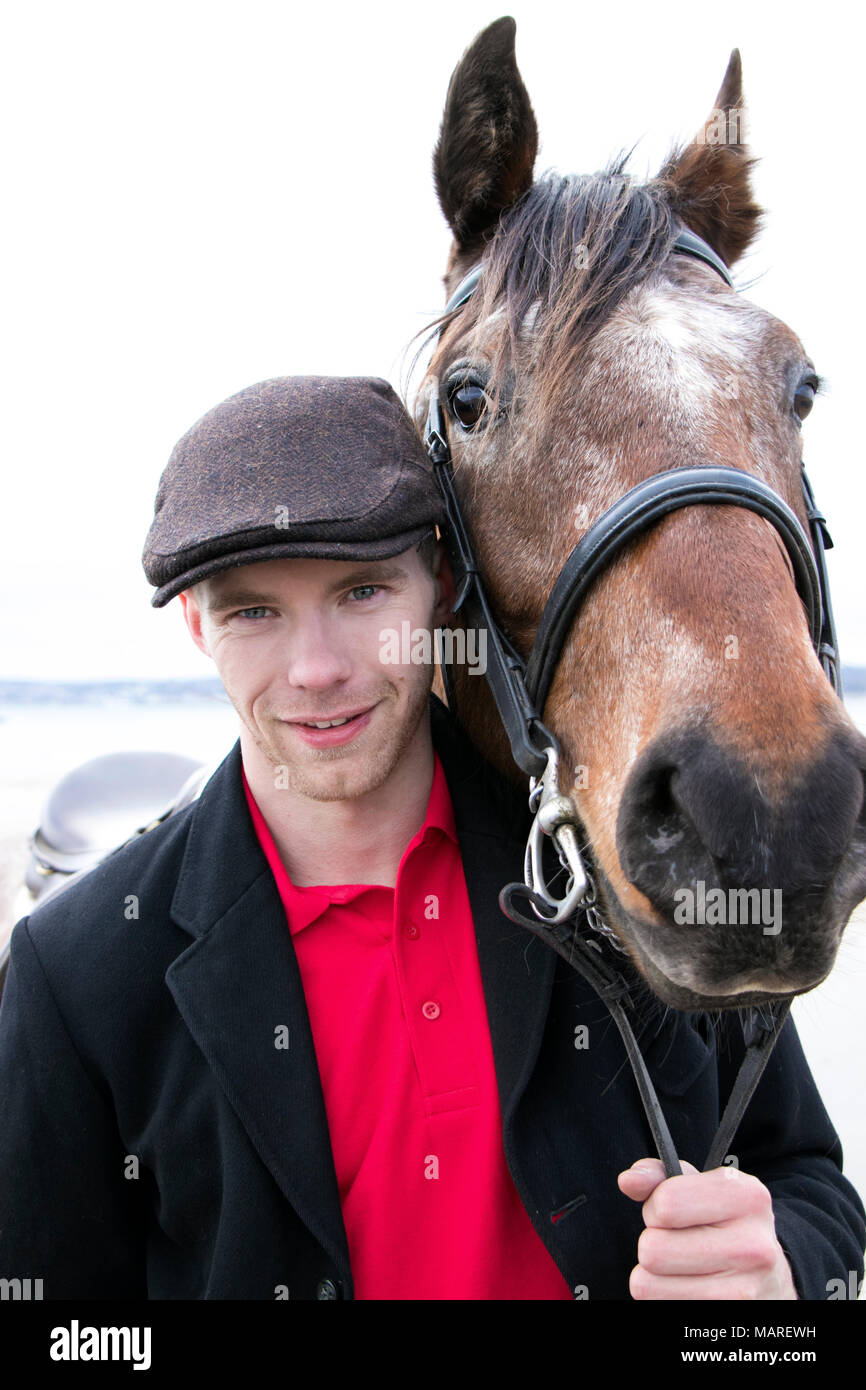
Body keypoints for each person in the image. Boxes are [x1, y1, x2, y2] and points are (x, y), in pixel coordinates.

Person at [0, 375, 862, 1302]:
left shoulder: (635, 867)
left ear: (444, 585)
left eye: (363, 591)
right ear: (195, 623)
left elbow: (812, 1190)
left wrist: (780, 1279)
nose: (318, 670)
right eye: (255, 611)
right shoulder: (76, 969)